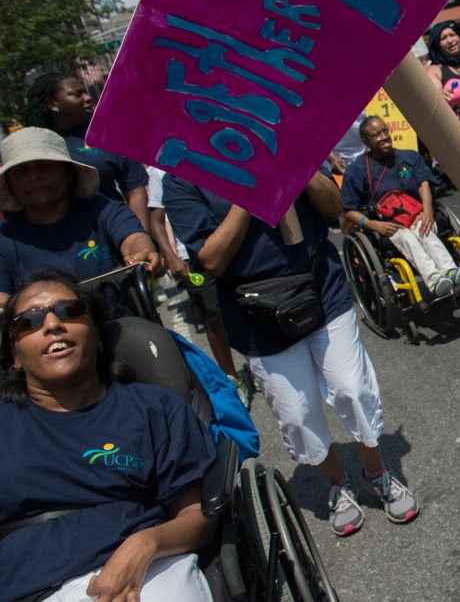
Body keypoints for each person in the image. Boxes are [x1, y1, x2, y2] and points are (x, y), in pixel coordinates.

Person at [163, 169, 420, 537]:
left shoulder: (277, 137)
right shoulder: (182, 177)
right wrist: (249, 193)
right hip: (256, 309)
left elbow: (334, 207)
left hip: (320, 285)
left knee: (352, 389)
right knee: (298, 415)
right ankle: (338, 484)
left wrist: (295, 164)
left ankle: (376, 473)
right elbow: (212, 260)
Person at [0, 268, 217, 600]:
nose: (52, 324)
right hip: (28, 584)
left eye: (69, 311)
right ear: (15, 357)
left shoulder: (154, 408)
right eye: (27, 322)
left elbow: (197, 515)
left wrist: (147, 543)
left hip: (148, 569)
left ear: (99, 336)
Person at [0, 128, 163, 307]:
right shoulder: (5, 239)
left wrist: (142, 254)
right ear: (10, 184)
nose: (33, 176)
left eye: (45, 166)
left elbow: (134, 239)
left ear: (68, 173)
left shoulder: (103, 210)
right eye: (21, 171)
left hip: (121, 326)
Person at [145, 166, 253, 407]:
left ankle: (257, 364)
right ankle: (232, 379)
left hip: (234, 248)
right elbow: (155, 219)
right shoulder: (159, 171)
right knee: (211, 316)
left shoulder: (218, 157)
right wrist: (171, 256)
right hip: (194, 257)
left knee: (247, 305)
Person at [341, 115, 460, 298]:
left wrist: (427, 211)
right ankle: (434, 280)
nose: (384, 136)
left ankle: (450, 271)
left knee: (422, 228)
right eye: (377, 135)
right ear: (366, 141)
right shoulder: (356, 170)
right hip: (387, 224)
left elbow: (423, 184)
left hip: (417, 213)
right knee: (408, 237)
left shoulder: (409, 155)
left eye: (385, 131)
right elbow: (349, 211)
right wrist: (374, 225)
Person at [24, 72, 150, 226]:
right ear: (53, 104)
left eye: (85, 91)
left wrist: (140, 235)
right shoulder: (38, 143)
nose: (87, 98)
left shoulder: (109, 134)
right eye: (77, 94)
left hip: (116, 231)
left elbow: (135, 189)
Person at [425, 20, 460, 111]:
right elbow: (432, 102)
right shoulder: (434, 70)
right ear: (437, 45)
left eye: (452, 35)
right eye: (443, 38)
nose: (449, 40)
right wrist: (440, 97)